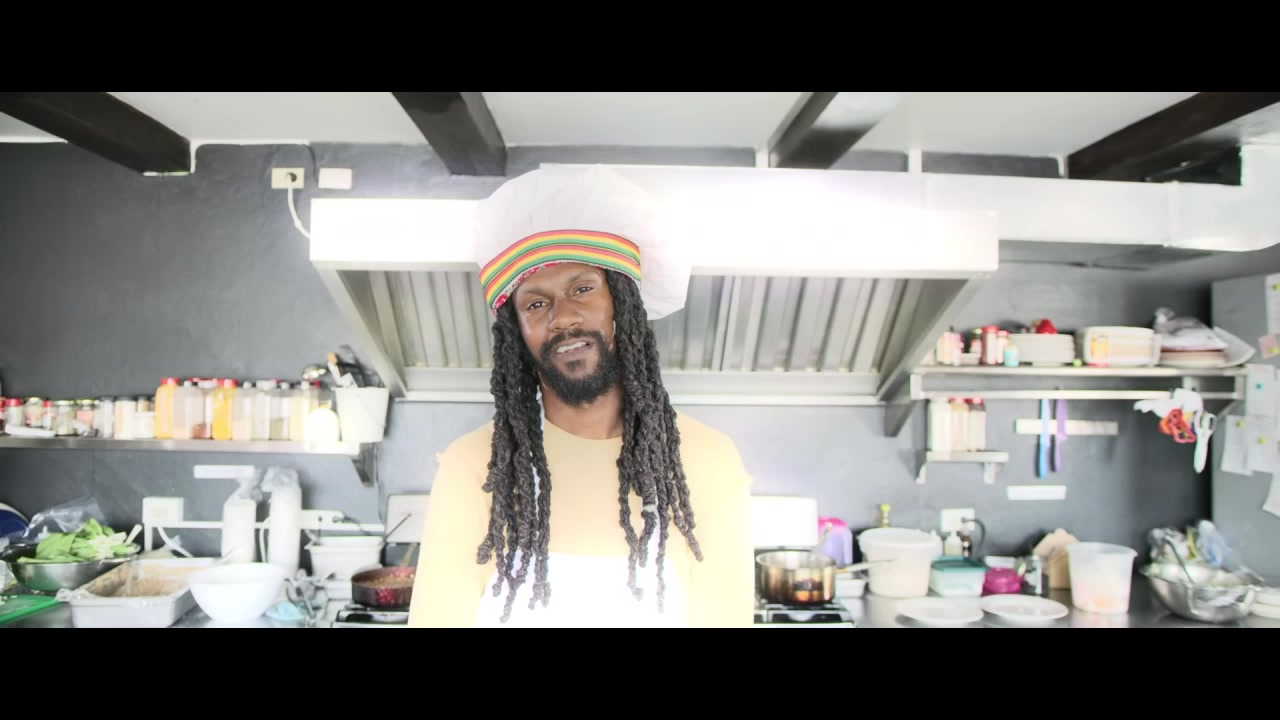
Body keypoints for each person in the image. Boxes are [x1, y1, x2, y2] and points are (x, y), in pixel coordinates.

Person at [406, 164, 756, 628]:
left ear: (621, 307)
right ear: (517, 335)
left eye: (583, 289)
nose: (563, 317)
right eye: (536, 303)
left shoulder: (706, 460)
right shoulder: (473, 467)